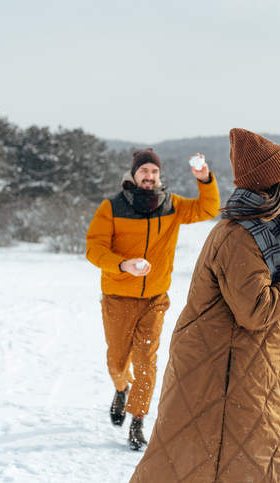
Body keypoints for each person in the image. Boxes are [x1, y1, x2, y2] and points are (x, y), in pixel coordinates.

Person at [130, 128, 280, 482]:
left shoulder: (262, 234)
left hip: (240, 371)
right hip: (219, 377)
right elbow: (257, 313)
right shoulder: (240, 236)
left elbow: (264, 322)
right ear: (273, 187)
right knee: (225, 465)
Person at [86, 148, 220, 450]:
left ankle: (137, 421)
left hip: (155, 299)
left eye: (154, 171)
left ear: (160, 176)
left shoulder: (172, 206)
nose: (149, 176)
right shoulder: (112, 207)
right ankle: (121, 388)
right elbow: (94, 248)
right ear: (133, 174)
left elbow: (209, 209)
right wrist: (123, 264)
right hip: (118, 296)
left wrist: (204, 179)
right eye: (144, 170)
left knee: (147, 362)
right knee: (118, 360)